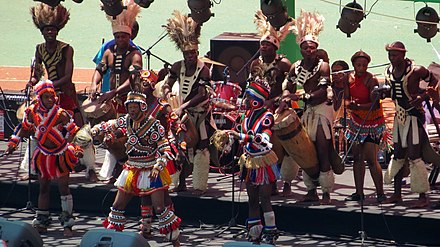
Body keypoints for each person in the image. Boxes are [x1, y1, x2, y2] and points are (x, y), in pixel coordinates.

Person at [98, 92, 181, 246]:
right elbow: (108, 126)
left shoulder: (154, 125)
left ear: (142, 108)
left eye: (136, 107)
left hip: (151, 170)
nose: (133, 110)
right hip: (130, 169)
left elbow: (165, 149)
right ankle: (112, 240)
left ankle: (175, 241)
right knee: (117, 207)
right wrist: (97, 131)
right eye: (130, 107)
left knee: (160, 209)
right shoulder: (126, 121)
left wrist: (159, 165)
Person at [4, 80, 82, 237]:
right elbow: (23, 128)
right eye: (46, 97)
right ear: (39, 97)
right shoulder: (32, 112)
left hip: (60, 155)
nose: (50, 99)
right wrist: (14, 142)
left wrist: (73, 147)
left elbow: (74, 131)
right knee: (44, 188)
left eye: (51, 96)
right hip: (43, 155)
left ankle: (67, 224)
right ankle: (41, 222)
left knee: (64, 189)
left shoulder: (61, 114)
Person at [283, 10, 342, 204]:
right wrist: (285, 97)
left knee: (323, 149)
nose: (310, 51)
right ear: (301, 49)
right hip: (308, 111)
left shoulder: (323, 65)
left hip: (322, 111)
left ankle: (325, 191)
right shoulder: (296, 67)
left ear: (316, 48)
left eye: (313, 48)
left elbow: (323, 91)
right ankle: (311, 190)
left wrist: (303, 95)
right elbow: (289, 85)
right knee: (308, 151)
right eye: (306, 48)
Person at [162, 10, 216, 195]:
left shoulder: (204, 70)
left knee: (201, 147)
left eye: (193, 53)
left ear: (197, 52)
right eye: (187, 54)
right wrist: (167, 91)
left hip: (199, 114)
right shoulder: (177, 66)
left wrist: (182, 107)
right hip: (180, 114)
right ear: (183, 54)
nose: (190, 56)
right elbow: (167, 83)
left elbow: (202, 94)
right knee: (178, 146)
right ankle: (179, 181)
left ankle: (199, 185)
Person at [382, 41, 440, 208]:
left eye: (395, 55)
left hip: (414, 116)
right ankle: (397, 194)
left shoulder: (417, 70)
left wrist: (422, 97)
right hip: (399, 116)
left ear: (403, 54)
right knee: (398, 154)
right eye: (390, 54)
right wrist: (382, 92)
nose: (392, 58)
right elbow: (393, 91)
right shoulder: (389, 71)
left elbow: (434, 82)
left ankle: (422, 196)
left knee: (414, 155)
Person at [251, 10, 298, 197]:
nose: (263, 47)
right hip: (261, 111)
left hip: (281, 109)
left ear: (275, 47)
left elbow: (291, 89)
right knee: (265, 146)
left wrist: (277, 100)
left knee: (283, 149)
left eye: (267, 45)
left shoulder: (284, 64)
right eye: (262, 44)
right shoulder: (255, 64)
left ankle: (286, 182)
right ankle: (268, 182)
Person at [229, 79, 280, 244]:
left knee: (265, 198)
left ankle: (270, 234)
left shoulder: (267, 116)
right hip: (250, 161)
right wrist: (228, 139)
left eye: (249, 96)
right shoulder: (246, 115)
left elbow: (263, 139)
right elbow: (238, 132)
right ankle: (254, 233)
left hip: (262, 161)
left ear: (257, 99)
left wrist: (241, 136)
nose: (245, 100)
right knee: (252, 199)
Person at [28, 3, 84, 128]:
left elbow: (67, 77)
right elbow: (37, 74)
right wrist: (31, 83)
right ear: (42, 32)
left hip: (65, 91)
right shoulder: (39, 48)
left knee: (72, 123)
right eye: (47, 29)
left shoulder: (66, 49)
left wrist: (48, 86)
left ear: (57, 32)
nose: (50, 32)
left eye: (52, 29)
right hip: (49, 92)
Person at [342, 51, 386, 203]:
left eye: (364, 65)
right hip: (356, 120)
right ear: (353, 64)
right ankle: (359, 192)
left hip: (372, 121)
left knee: (371, 158)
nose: (361, 67)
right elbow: (346, 99)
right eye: (358, 65)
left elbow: (374, 104)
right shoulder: (348, 78)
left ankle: (380, 193)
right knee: (357, 158)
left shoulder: (371, 79)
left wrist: (358, 105)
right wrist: (350, 105)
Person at [89, 0, 142, 115]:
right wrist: (94, 84)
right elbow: (99, 69)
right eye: (117, 37)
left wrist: (114, 92)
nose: (120, 39)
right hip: (111, 99)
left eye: (123, 36)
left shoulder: (135, 54)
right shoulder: (109, 52)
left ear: (130, 36)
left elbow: (133, 79)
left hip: (129, 100)